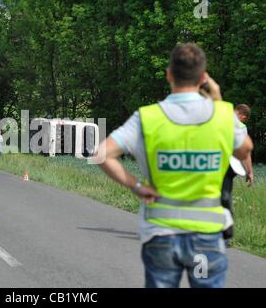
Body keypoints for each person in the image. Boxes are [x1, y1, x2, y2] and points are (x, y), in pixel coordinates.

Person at [95, 43, 253, 288]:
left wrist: (136, 186)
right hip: (206, 237)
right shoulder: (222, 116)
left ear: (169, 74)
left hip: (161, 234)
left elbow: (102, 154)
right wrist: (219, 100)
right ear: (203, 78)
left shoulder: (147, 117)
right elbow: (244, 149)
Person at [221, 104, 253, 243]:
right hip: (228, 165)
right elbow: (244, 152)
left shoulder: (218, 118)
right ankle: (225, 237)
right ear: (243, 116)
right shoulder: (240, 127)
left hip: (211, 163)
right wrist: (250, 172)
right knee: (225, 196)